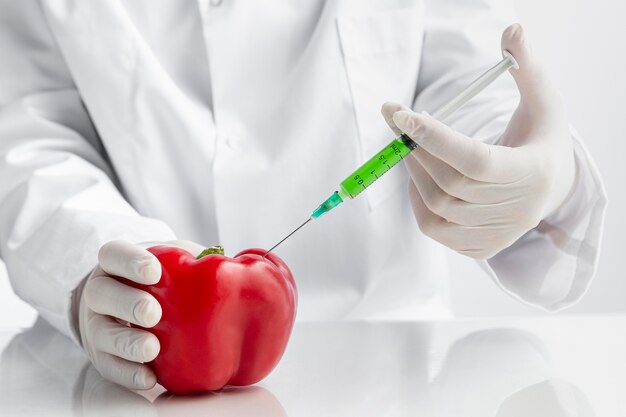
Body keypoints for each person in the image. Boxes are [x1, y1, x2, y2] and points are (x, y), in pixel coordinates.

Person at [0, 0, 606, 390]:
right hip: (129, 378)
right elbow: (26, 133)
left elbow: (465, 84)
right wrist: (86, 266)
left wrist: (526, 165)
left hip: (390, 371)